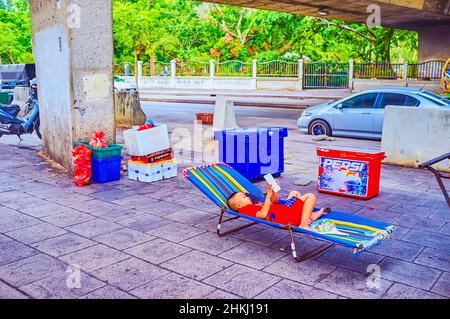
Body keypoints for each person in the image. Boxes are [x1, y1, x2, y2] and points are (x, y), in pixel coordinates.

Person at [227, 182, 329, 231]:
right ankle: (304, 224)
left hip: (284, 210)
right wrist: (268, 195)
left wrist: (274, 191)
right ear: (238, 205)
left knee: (295, 192)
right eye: (244, 197)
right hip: (286, 216)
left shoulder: (254, 205)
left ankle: (309, 215)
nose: (247, 197)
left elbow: (274, 202)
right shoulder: (246, 209)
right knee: (310, 196)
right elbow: (263, 215)